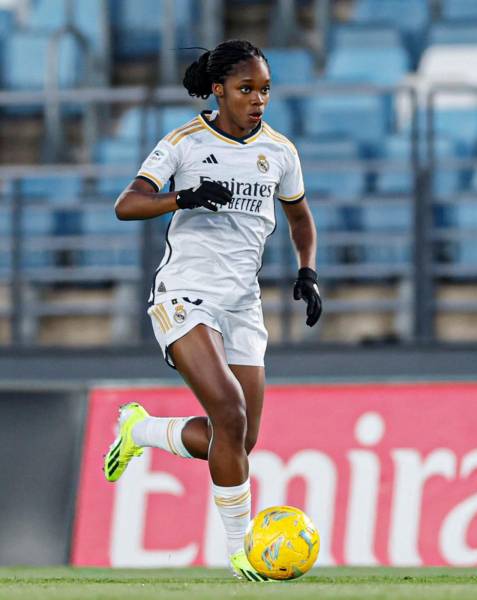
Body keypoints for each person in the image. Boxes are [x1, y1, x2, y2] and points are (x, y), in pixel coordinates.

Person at [104, 39, 322, 582]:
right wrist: (185, 197)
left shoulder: (280, 152)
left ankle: (142, 431)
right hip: (184, 294)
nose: (257, 100)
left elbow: (299, 218)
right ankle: (239, 550)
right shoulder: (183, 143)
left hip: (241, 303)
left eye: (265, 89)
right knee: (228, 413)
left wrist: (307, 271)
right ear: (218, 89)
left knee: (240, 442)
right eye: (246, 89)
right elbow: (127, 204)